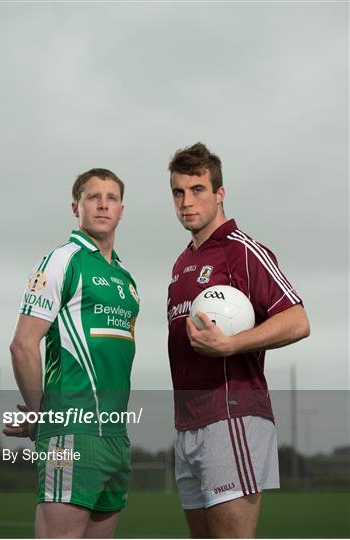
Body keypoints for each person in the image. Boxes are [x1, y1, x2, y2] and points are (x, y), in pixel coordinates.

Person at [167, 143, 310, 538]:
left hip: (232, 419)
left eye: (197, 189)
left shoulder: (243, 251)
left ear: (219, 194)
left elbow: (298, 319)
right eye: (178, 192)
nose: (186, 201)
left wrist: (233, 344)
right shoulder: (182, 264)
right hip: (189, 425)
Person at [5, 168, 139, 538]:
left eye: (111, 198)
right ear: (75, 207)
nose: (102, 204)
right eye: (93, 197)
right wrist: (37, 413)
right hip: (71, 431)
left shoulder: (127, 280)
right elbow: (22, 344)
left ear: (122, 210)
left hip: (115, 439)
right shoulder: (62, 261)